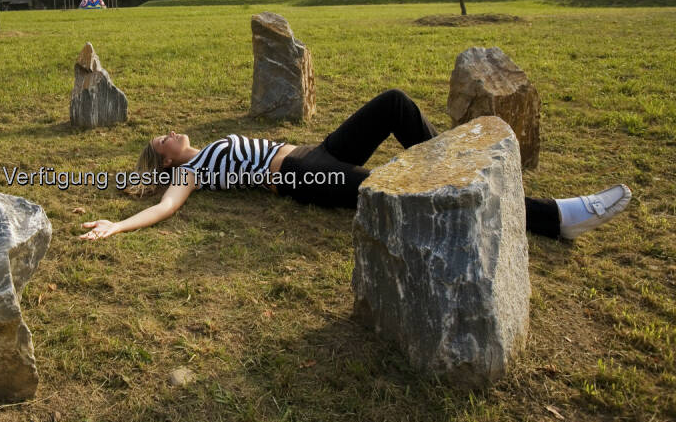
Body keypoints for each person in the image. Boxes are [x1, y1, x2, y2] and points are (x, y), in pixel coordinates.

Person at [79, 89, 632, 241]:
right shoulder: (187, 174)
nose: (173, 132)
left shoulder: (199, 152)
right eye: (164, 139)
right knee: (410, 189)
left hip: (315, 154)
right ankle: (558, 217)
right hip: (304, 179)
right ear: (165, 160)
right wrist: (117, 224)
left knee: (394, 103)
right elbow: (165, 209)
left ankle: (458, 162)